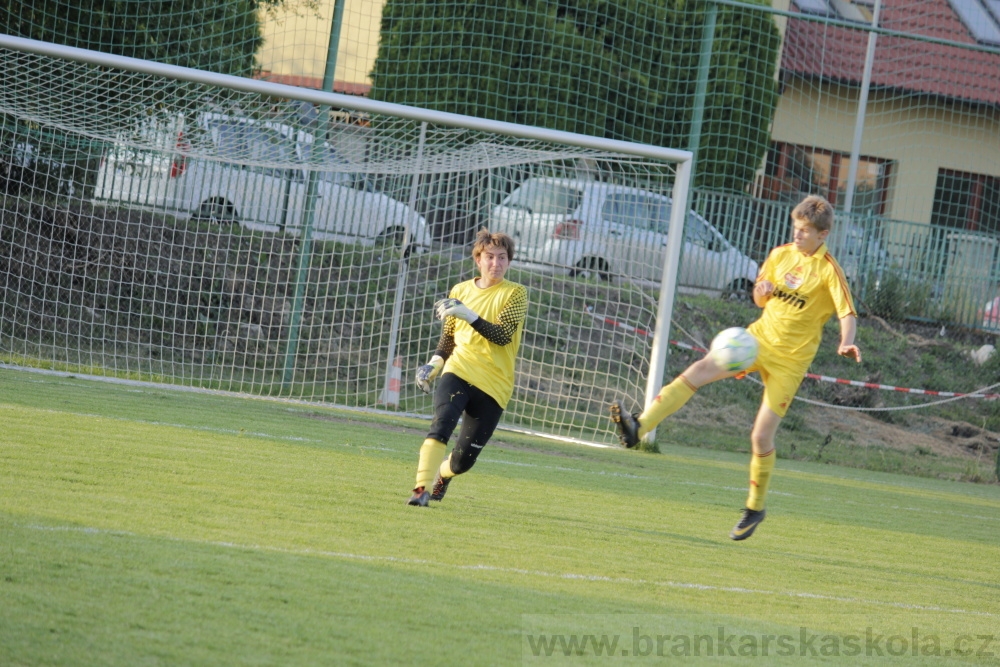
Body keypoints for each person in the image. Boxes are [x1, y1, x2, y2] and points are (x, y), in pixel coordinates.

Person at [610, 194, 861, 540]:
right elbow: (760, 298)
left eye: (804, 231)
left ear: (823, 234)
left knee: (760, 435)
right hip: (756, 341)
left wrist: (846, 341)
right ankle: (639, 427)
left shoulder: (829, 269)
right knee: (699, 370)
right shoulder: (780, 255)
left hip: (791, 363)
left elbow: (847, 312)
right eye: (795, 228)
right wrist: (762, 290)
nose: (797, 235)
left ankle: (755, 508)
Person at [407, 230, 528, 507]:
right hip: (459, 371)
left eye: (502, 258)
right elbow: (448, 339)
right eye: (489, 257)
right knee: (441, 425)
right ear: (478, 259)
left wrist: (468, 314)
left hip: (494, 385)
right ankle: (420, 490)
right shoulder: (460, 291)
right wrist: (433, 365)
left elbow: (502, 335)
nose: (495, 263)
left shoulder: (516, 293)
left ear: (509, 261)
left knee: (462, 462)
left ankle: (443, 475)